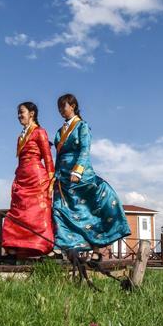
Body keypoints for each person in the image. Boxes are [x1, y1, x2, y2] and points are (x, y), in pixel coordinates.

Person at [52, 93, 130, 255]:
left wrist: (78, 170)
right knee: (59, 208)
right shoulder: (60, 131)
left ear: (72, 106)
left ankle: (97, 245)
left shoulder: (82, 126)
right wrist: (55, 173)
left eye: (63, 106)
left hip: (79, 174)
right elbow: (58, 155)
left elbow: (85, 149)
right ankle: (65, 246)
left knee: (88, 210)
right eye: (58, 107)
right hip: (62, 176)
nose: (60, 110)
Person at [0, 102, 55, 257]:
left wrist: (51, 181)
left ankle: (41, 245)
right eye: (18, 113)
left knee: (37, 213)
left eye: (22, 112)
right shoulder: (20, 137)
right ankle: (14, 245)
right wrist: (17, 178)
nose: (19, 116)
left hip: (37, 178)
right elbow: (20, 161)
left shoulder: (40, 132)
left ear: (32, 113)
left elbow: (48, 158)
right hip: (22, 177)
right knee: (18, 211)